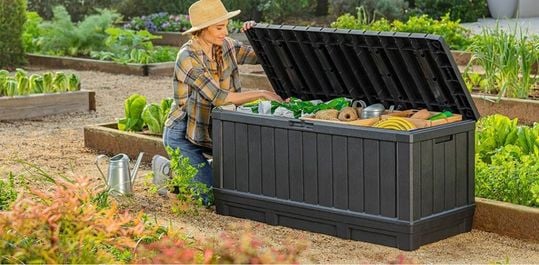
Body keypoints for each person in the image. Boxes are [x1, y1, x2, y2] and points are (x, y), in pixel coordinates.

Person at [163, 0, 282, 190]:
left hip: (212, 126)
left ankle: (186, 174)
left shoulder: (225, 45)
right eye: (219, 28)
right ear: (202, 29)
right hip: (184, 132)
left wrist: (257, 34)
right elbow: (219, 97)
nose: (225, 32)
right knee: (209, 195)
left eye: (225, 27)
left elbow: (261, 56)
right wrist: (262, 93)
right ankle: (175, 170)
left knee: (228, 186)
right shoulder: (187, 57)